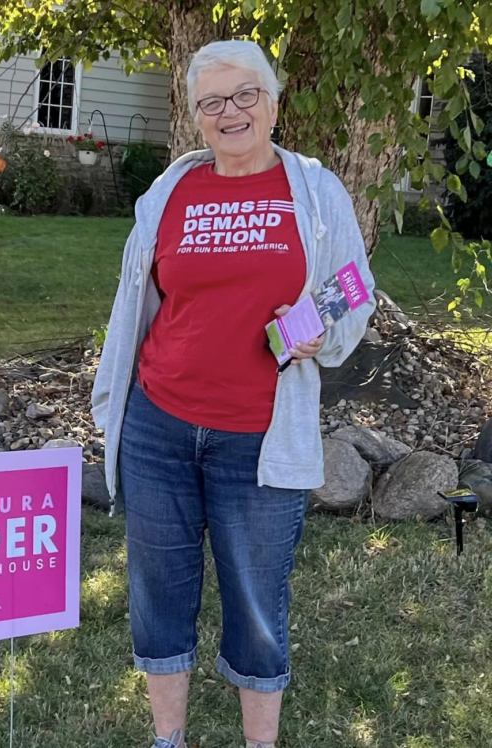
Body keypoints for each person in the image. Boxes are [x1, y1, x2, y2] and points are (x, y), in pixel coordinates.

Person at [91, 40, 376, 748]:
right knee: (159, 596)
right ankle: (168, 739)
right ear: (196, 118)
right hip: (159, 427)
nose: (232, 112)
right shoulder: (170, 192)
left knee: (255, 605)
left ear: (274, 102)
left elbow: (353, 289)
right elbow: (141, 301)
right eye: (213, 102)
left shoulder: (314, 189)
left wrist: (316, 332)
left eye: (246, 94)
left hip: (258, 435)